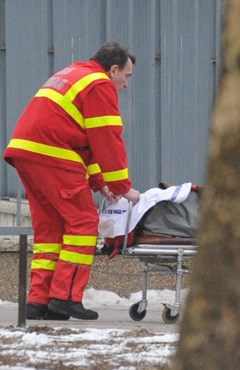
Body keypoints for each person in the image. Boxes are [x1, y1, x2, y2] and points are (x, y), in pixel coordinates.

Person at [4, 41, 141, 321]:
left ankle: (39, 301)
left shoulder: (75, 74)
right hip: (53, 153)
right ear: (113, 69)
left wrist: (97, 181)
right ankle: (65, 298)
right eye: (127, 76)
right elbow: (107, 140)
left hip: (28, 152)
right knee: (83, 222)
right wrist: (122, 188)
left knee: (50, 230)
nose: (126, 84)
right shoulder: (100, 85)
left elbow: (80, 137)